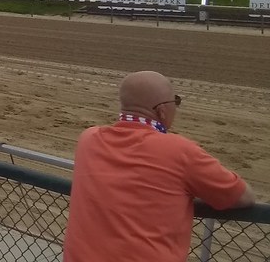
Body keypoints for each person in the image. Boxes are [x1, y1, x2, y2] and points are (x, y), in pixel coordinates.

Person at [63, 71, 255, 262]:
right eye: (175, 102)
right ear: (162, 110)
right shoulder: (181, 152)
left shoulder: (89, 139)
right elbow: (243, 196)